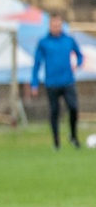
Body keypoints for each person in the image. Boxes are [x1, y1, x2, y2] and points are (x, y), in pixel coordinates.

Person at [30, 13, 84, 150]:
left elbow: (79, 55)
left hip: (67, 81)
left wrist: (77, 63)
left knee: (73, 108)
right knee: (54, 112)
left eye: (58, 25)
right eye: (54, 25)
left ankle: (73, 136)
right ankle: (56, 142)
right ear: (50, 26)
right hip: (52, 83)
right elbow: (37, 63)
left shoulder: (68, 40)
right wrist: (34, 83)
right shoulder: (44, 42)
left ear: (61, 25)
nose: (56, 27)